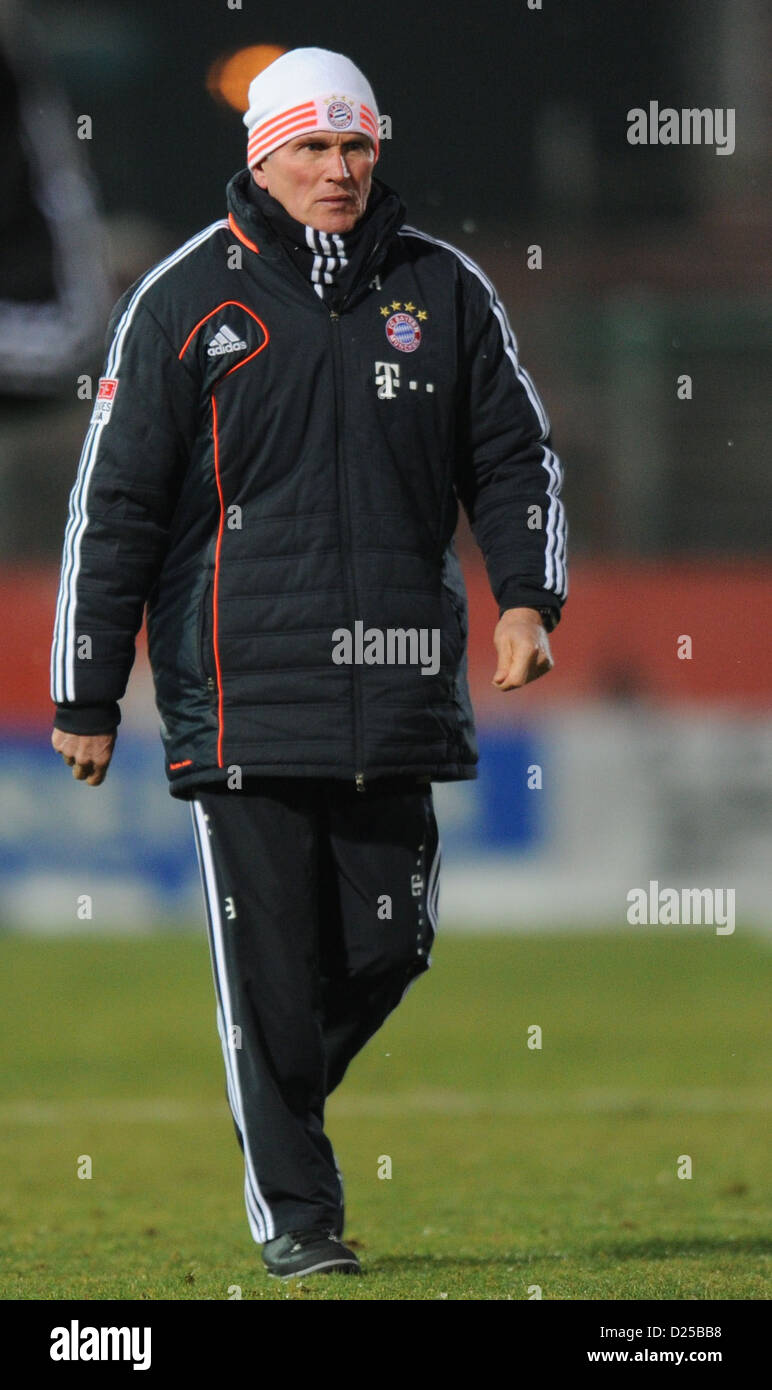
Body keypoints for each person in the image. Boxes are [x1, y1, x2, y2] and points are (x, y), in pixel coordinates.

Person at [50, 47, 567, 1280]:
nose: (336, 171)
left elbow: (514, 457)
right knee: (272, 968)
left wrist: (528, 600)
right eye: (311, 149)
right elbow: (111, 506)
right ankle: (299, 1217)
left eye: (355, 148)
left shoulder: (443, 290)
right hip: (236, 694)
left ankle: (268, 1084)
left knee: (392, 944)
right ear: (262, 157)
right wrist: (83, 689)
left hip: (395, 681)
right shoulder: (182, 302)